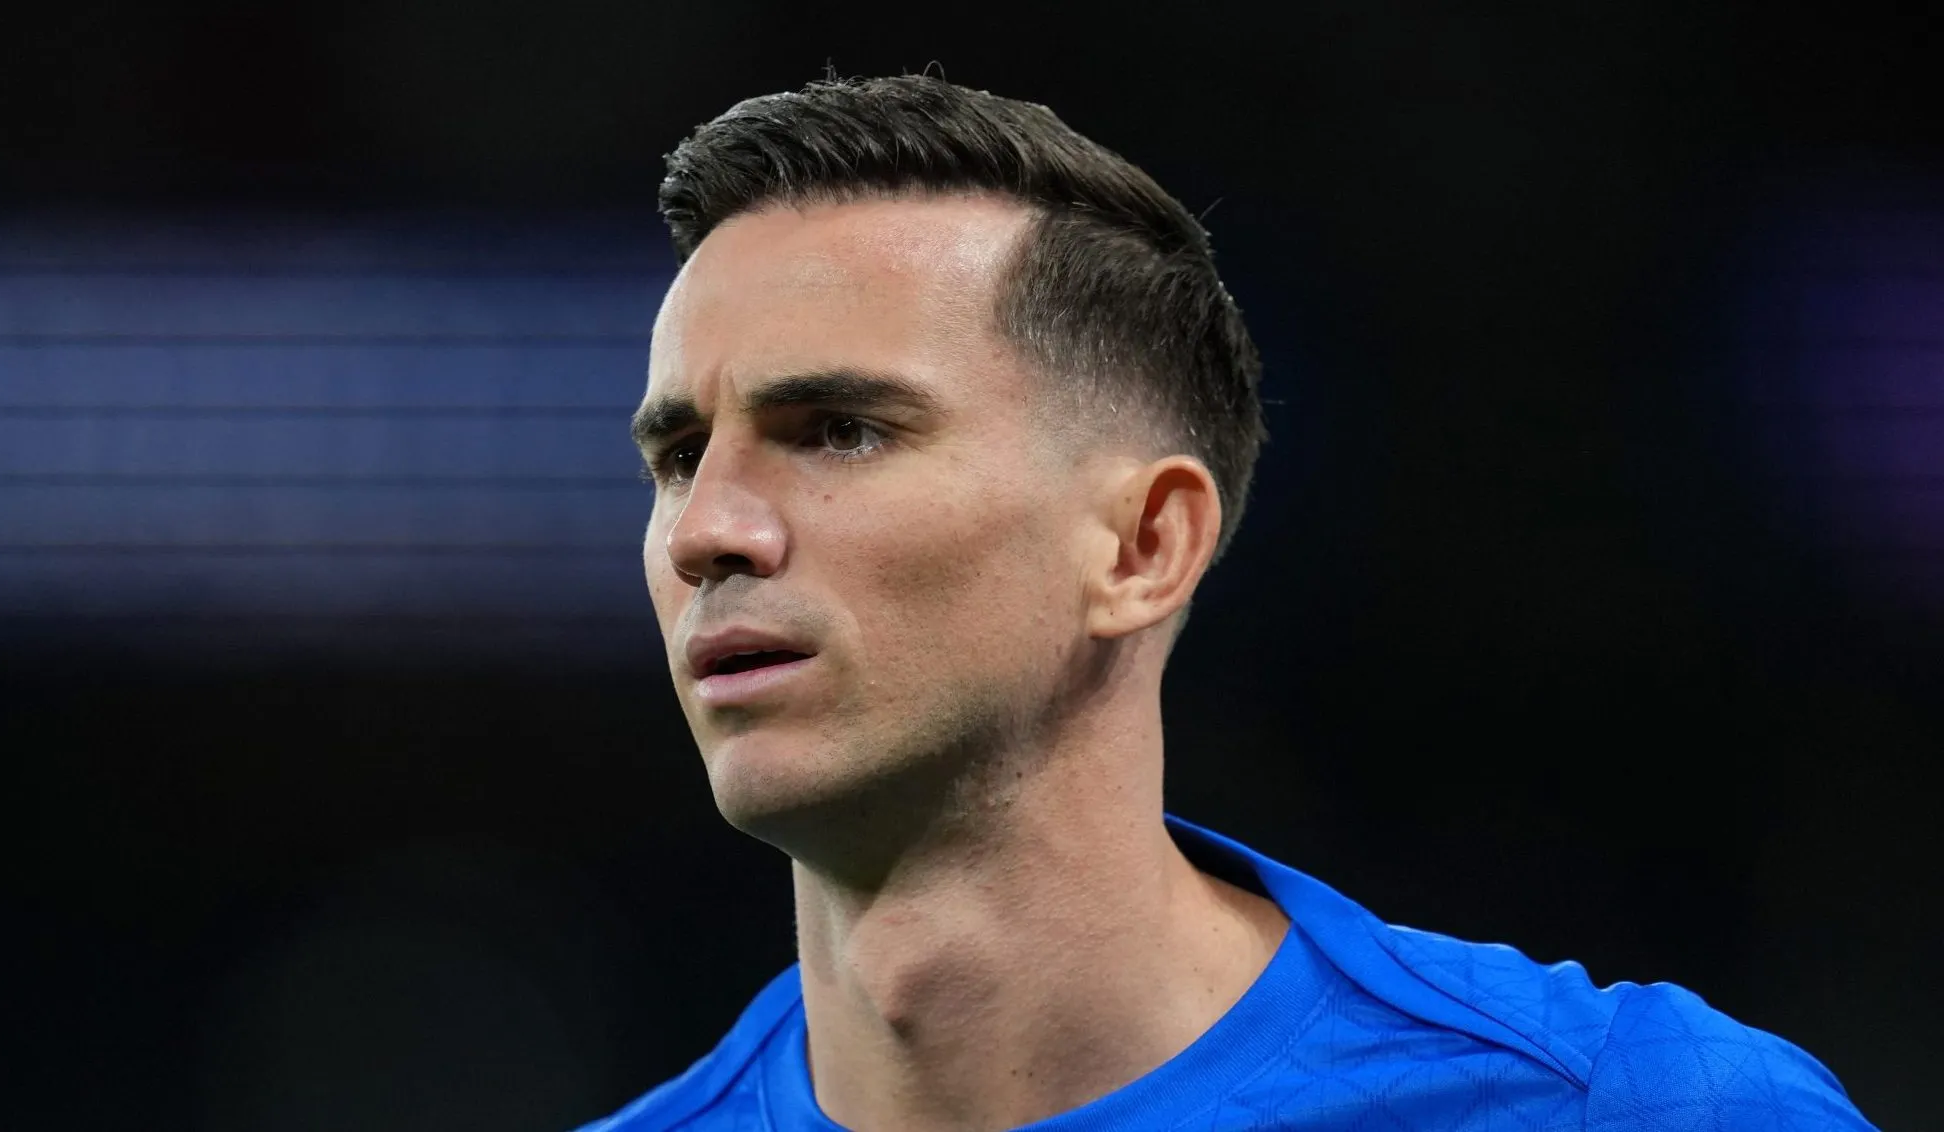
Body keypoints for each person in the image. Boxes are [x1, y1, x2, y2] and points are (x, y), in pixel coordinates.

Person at [579, 75, 1873, 1131]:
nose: (706, 531)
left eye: (842, 429)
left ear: (1144, 543)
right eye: (681, 455)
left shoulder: (1633, 1113)